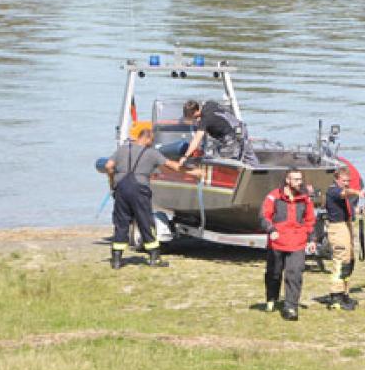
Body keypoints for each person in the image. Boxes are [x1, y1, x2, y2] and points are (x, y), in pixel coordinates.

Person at [104, 128, 200, 270]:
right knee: (146, 222)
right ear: (148, 138)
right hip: (140, 190)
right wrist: (193, 172)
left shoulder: (123, 149)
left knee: (121, 222)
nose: (152, 143)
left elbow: (108, 166)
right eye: (152, 141)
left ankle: (117, 260)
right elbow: (172, 166)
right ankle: (154, 258)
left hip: (121, 188)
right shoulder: (152, 153)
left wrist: (112, 181)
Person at [260, 168, 317, 321]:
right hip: (277, 243)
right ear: (288, 180)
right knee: (274, 273)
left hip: (297, 243)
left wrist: (312, 239)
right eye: (296, 180)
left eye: (300, 179)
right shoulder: (274, 196)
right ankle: (271, 298)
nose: (300, 182)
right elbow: (264, 215)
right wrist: (271, 229)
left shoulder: (306, 198)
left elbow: (310, 220)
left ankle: (291, 307)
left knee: (295, 274)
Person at [324, 167, 363, 311]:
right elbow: (344, 193)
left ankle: (345, 293)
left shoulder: (341, 193)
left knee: (349, 260)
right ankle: (336, 296)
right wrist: (357, 192)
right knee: (340, 261)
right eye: (344, 180)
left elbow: (345, 206)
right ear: (337, 179)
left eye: (348, 181)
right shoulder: (333, 190)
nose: (346, 183)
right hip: (337, 228)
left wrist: (357, 211)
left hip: (346, 226)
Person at [180, 100, 259, 166]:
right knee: (248, 156)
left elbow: (196, 140)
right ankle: (259, 172)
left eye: (188, 116)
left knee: (227, 159)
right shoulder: (209, 104)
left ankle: (230, 176)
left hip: (230, 137)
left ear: (193, 112)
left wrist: (185, 156)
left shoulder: (205, 120)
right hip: (240, 128)